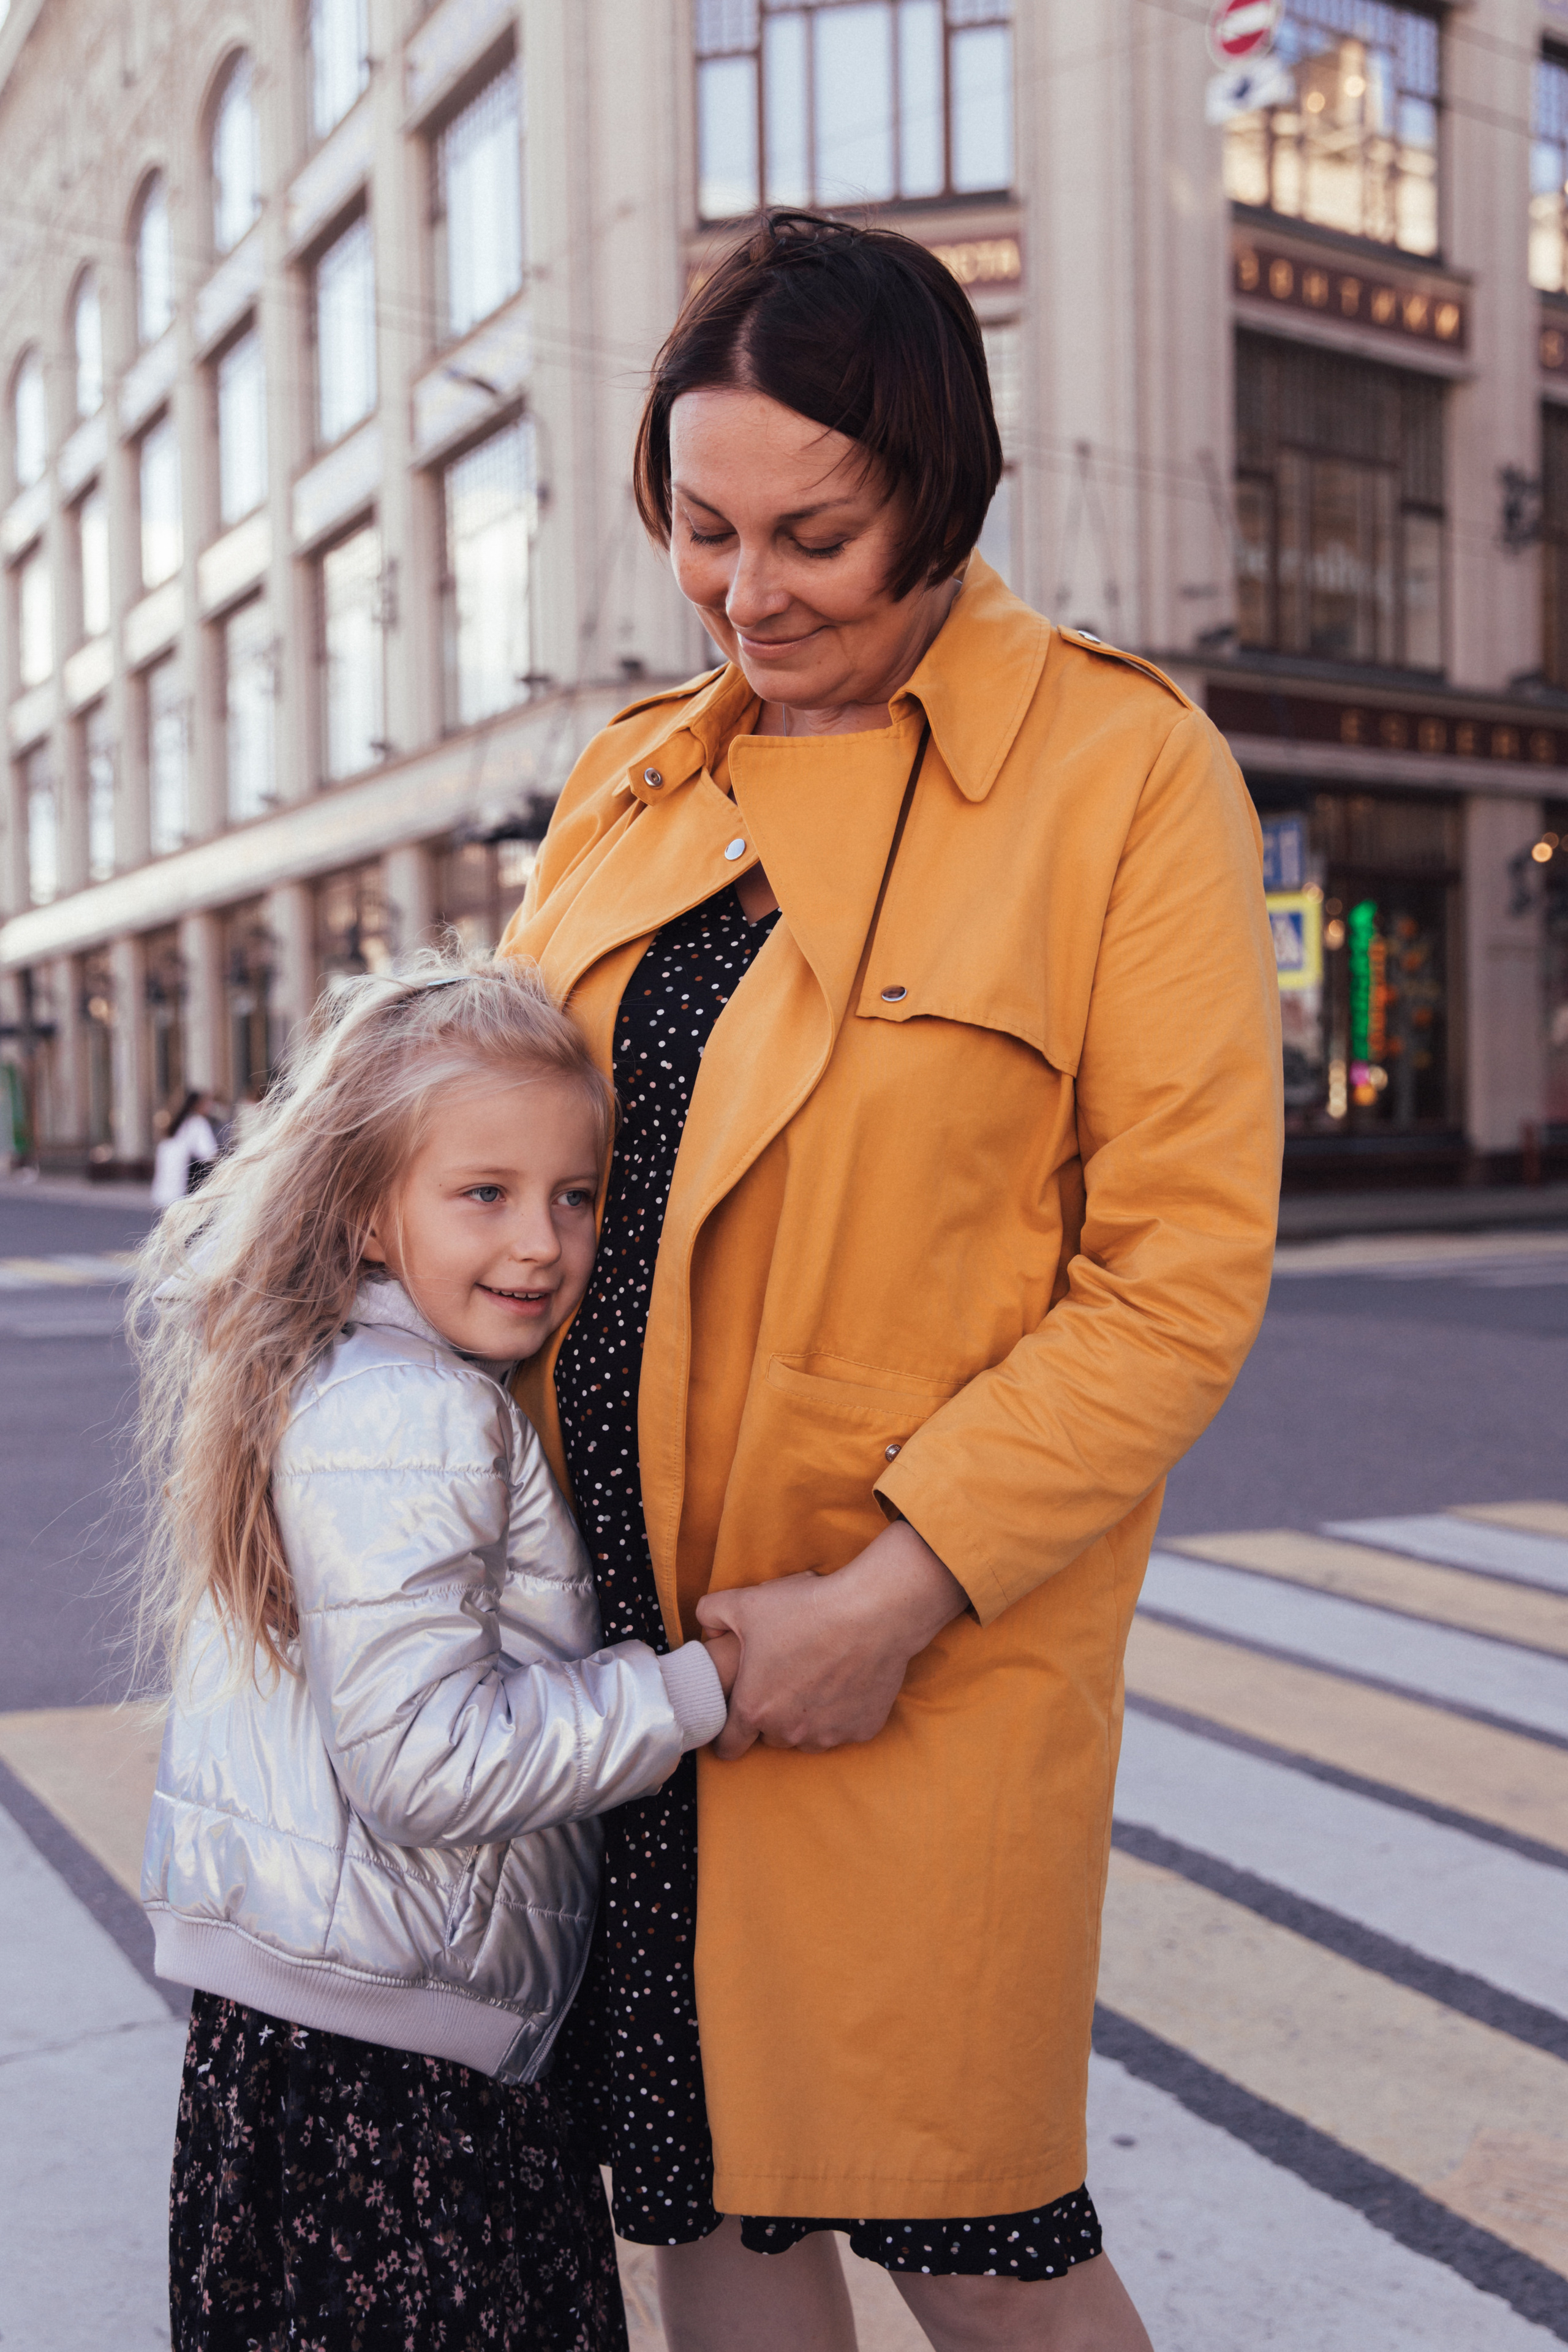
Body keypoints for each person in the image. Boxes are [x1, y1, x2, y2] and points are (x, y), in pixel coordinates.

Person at [500, 212, 1282, 2352]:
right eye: (704, 528)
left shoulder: (1121, 775)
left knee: (971, 2228)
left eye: (817, 537)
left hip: (909, 1660)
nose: (751, 593)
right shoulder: (630, 777)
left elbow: (1178, 1272)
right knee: (710, 2217)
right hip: (612, 1666)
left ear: (940, 494)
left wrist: (896, 1594)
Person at [131, 954, 738, 2352]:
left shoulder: (319, 1372)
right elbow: (420, 1764)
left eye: (575, 1195)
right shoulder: (417, 1414)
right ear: (365, 1210)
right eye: (485, 1193)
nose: (542, 1241)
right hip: (402, 2076)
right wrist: (687, 1691)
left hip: (297, 2044)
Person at [149, 1089, 219, 1209]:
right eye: (207, 1103)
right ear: (197, 1105)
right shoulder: (198, 1123)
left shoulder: (175, 1124)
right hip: (185, 1187)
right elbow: (210, 1153)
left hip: (166, 1189)